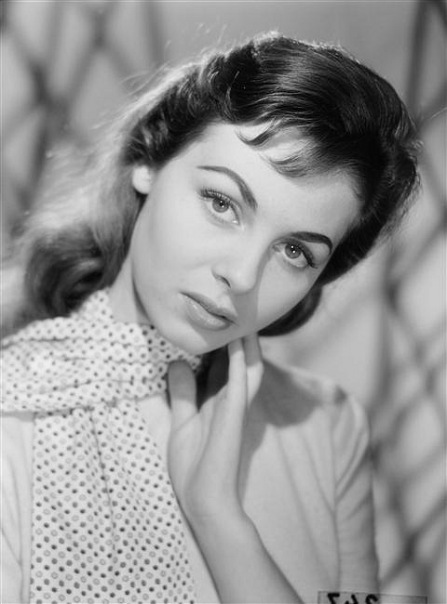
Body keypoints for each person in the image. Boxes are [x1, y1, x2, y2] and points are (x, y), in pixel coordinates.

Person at [1, 32, 419, 604]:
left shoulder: (325, 425)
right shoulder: (14, 412)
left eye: (295, 252)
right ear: (150, 159)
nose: (242, 276)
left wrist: (220, 519)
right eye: (222, 203)